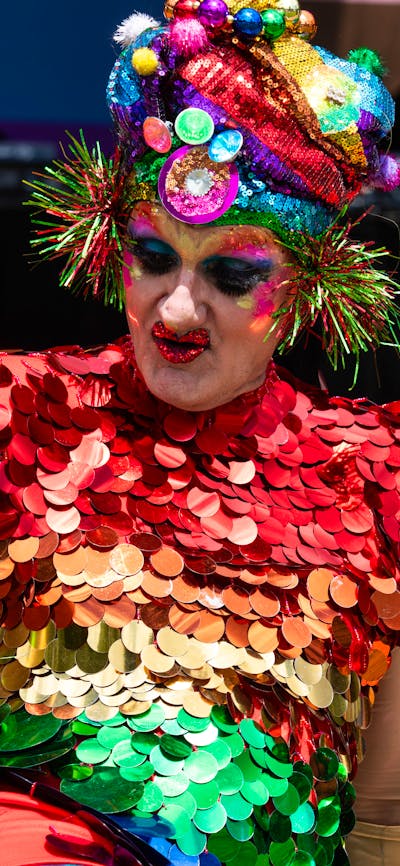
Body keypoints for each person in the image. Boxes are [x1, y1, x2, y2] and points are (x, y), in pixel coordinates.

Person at [0, 2, 400, 865]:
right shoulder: (18, 416)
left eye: (230, 272)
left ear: (307, 284)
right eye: (154, 259)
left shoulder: (379, 479)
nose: (177, 309)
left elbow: (383, 820)